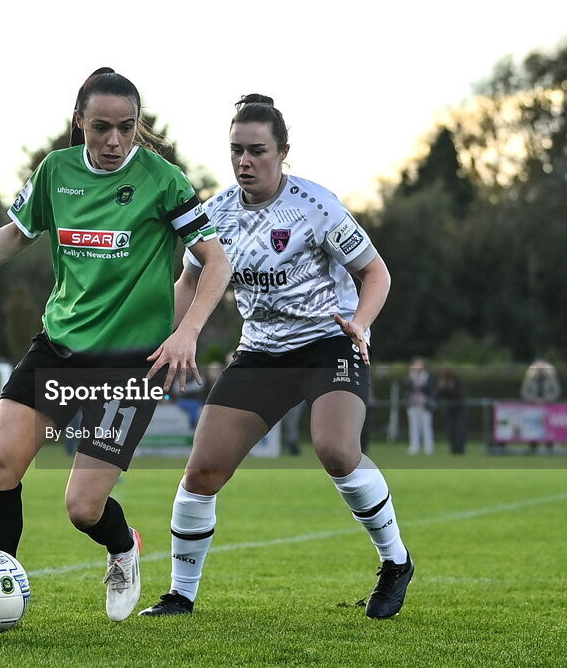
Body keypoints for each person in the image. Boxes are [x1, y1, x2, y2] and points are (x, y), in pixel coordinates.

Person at [0, 68, 230, 632]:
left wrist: (187, 332)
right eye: (101, 128)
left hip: (133, 364)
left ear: (139, 126)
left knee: (82, 508)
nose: (114, 141)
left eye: (127, 128)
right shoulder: (55, 172)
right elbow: (17, 232)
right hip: (58, 349)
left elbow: (217, 261)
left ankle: (123, 545)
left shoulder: (163, 181)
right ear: (79, 124)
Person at [139, 94, 412, 621]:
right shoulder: (215, 214)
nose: (245, 162)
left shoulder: (316, 207)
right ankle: (180, 595)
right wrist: (163, 334)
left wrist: (360, 324)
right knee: (202, 473)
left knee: (336, 450)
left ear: (283, 152)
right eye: (236, 151)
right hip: (261, 352)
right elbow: (191, 278)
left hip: (330, 342)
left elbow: (376, 273)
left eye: (257, 151)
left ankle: (395, 562)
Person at [520, 359, 560, 453]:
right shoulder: (529, 378)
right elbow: (524, 392)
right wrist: (534, 400)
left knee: (548, 426)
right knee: (533, 426)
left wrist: (545, 400)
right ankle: (532, 446)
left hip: (548, 407)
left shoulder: (551, 378)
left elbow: (556, 391)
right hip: (533, 407)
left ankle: (549, 446)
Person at [403, 358, 436, 455]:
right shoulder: (410, 376)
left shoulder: (428, 376)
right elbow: (407, 387)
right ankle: (414, 446)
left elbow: (431, 388)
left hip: (425, 404)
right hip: (413, 403)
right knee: (413, 426)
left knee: (426, 425)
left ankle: (428, 447)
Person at [436, 368, 467, 455]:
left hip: (459, 409)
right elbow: (438, 396)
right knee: (451, 430)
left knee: (459, 429)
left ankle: (460, 450)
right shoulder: (443, 384)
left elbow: (461, 396)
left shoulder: (458, 382)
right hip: (449, 410)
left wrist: (451, 389)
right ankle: (453, 449)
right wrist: (441, 388)